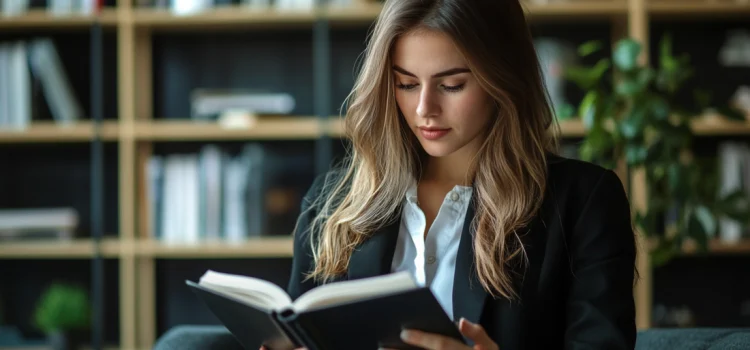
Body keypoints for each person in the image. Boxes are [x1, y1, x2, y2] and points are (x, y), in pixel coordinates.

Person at [270, 0, 639, 349]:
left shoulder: (583, 202)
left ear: (505, 79)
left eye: (452, 85)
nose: (424, 108)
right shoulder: (332, 203)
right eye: (406, 84)